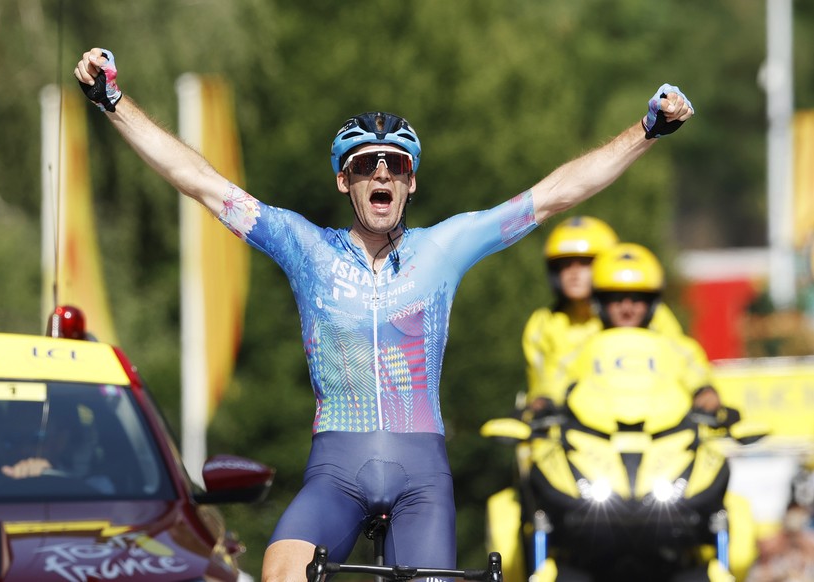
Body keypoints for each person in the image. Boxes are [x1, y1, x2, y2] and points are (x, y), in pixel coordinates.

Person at [73, 47, 694, 582]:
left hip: (421, 474)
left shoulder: (442, 248)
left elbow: (558, 192)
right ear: (344, 182)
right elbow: (201, 182)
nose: (380, 173)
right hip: (335, 472)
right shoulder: (305, 247)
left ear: (410, 183)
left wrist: (647, 129)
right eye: (365, 164)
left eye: (394, 165)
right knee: (280, 571)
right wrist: (113, 101)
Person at [519, 216, 684, 411]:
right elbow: (542, 386)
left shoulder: (645, 313)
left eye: (585, 263)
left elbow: (681, 362)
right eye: (565, 265)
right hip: (569, 425)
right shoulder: (543, 323)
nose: (574, 273)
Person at [553, 242, 723, 413]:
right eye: (617, 298)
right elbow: (557, 380)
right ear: (601, 302)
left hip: (661, 433)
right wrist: (545, 400)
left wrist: (705, 392)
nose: (627, 308)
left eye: (636, 298)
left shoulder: (674, 346)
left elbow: (696, 373)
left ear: (651, 303)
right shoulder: (584, 346)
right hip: (596, 435)